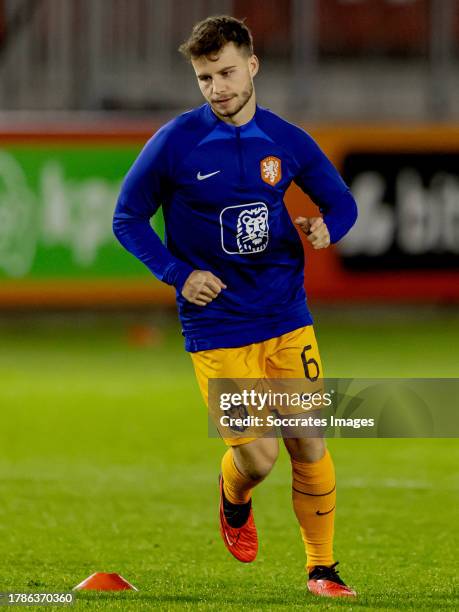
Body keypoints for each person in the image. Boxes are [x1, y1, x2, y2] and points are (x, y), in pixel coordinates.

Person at [113, 15, 358, 599]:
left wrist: (328, 230)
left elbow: (341, 203)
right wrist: (179, 274)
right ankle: (234, 494)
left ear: (252, 66)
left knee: (308, 442)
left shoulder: (288, 140)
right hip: (218, 325)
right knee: (259, 459)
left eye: (225, 73)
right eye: (204, 78)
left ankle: (321, 569)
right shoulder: (175, 142)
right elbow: (127, 219)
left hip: (285, 316)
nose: (216, 88)